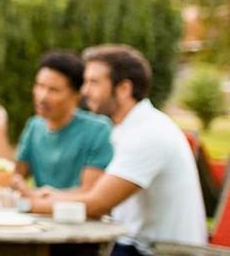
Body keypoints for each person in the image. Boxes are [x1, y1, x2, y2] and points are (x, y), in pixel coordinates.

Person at [29, 44, 207, 254]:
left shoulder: (148, 133)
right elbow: (96, 193)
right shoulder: (125, 128)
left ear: (123, 88)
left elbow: (97, 204)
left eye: (93, 83)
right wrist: (54, 196)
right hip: (134, 243)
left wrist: (26, 205)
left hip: (162, 251)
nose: (85, 91)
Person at [0, 50, 113, 191]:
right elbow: (14, 177)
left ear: (77, 95)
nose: (42, 97)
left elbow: (89, 192)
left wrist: (36, 198)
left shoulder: (98, 130)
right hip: (39, 210)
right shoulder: (35, 125)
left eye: (53, 90)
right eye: (40, 86)